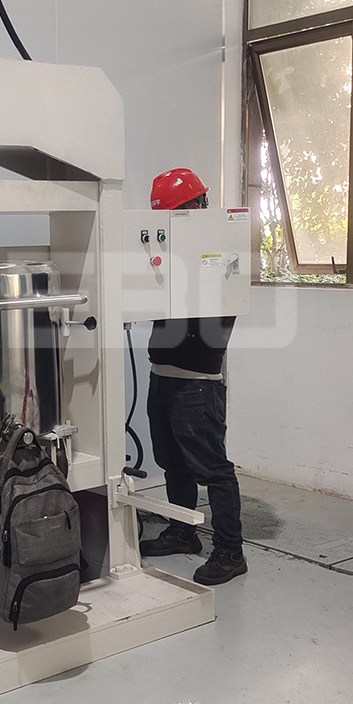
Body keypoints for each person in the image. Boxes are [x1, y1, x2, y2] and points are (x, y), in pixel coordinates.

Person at [139, 167, 247, 585]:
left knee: (213, 468)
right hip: (162, 374)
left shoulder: (222, 252)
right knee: (173, 463)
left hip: (197, 382)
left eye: (175, 214)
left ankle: (230, 552)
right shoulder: (171, 254)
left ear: (197, 207)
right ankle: (183, 532)